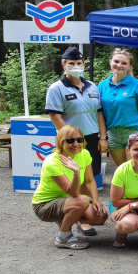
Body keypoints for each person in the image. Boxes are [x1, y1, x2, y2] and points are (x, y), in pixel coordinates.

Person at [45, 47, 108, 235]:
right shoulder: (56, 88)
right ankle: (76, 217)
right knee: (73, 176)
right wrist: (71, 139)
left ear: (84, 65)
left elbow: (99, 113)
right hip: (71, 140)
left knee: (89, 176)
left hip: (91, 137)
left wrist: (102, 137)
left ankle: (81, 215)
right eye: (71, 63)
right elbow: (55, 116)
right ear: (64, 65)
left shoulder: (92, 86)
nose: (75, 66)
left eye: (79, 63)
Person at [32, 125, 108, 249]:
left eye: (80, 140)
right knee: (82, 200)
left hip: (68, 201)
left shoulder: (84, 153)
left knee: (100, 216)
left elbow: (89, 180)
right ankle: (63, 237)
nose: (76, 144)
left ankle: (65, 218)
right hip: (44, 205)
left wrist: (95, 200)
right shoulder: (52, 162)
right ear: (60, 142)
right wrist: (76, 173)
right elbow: (72, 192)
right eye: (70, 140)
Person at [98, 48, 138, 167]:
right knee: (122, 171)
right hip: (112, 134)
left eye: (124, 63)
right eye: (116, 61)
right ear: (110, 62)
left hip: (134, 133)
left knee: (135, 170)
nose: (119, 65)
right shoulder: (102, 86)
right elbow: (100, 113)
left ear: (130, 67)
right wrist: (103, 137)